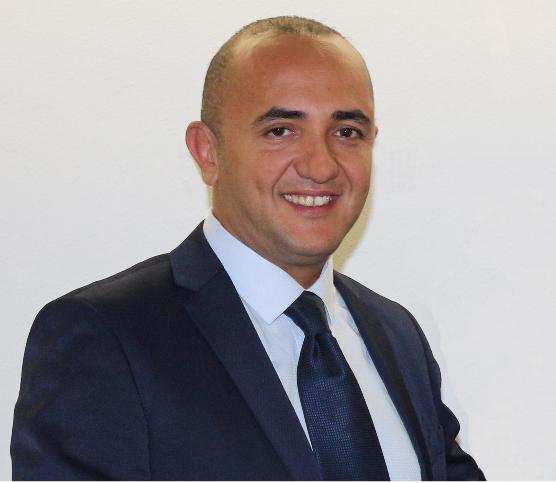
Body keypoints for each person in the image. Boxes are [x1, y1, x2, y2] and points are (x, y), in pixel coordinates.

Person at [11, 16, 485, 480]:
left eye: (347, 132)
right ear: (207, 152)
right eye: (281, 131)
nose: (321, 166)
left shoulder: (396, 334)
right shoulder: (108, 336)